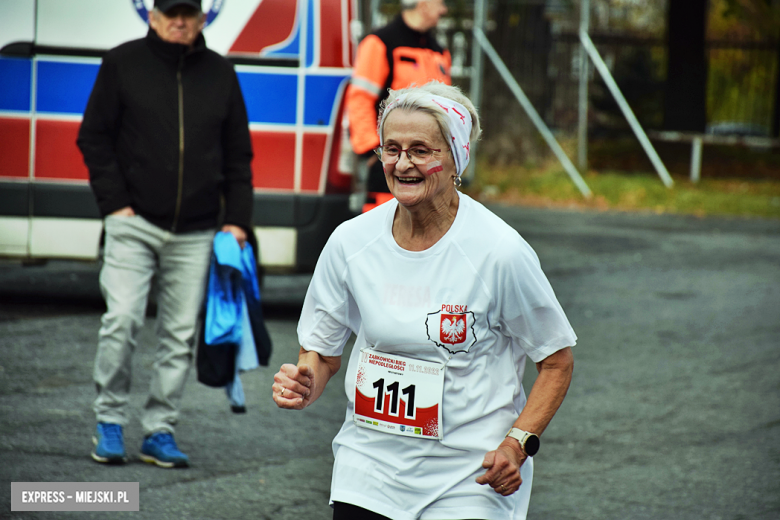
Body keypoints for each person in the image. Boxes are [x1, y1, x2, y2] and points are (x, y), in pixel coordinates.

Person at [273, 81, 576, 519]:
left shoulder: (499, 252)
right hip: (369, 469)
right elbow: (320, 353)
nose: (403, 164)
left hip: (468, 477)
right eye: (391, 149)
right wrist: (304, 380)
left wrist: (518, 442)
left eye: (421, 150)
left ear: (455, 159)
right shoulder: (351, 242)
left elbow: (556, 359)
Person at [77, 0, 253, 468]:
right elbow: (92, 136)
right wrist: (116, 206)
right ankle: (109, 422)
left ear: (202, 19)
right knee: (123, 320)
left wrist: (236, 220)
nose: (180, 21)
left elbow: (239, 155)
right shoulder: (122, 62)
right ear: (152, 17)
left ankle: (159, 429)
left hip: (197, 231)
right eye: (171, 13)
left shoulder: (221, 73)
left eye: (188, 14)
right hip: (134, 225)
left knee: (178, 337)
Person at [346, 0, 451, 208]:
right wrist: (373, 151)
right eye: (441, 3)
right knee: (383, 230)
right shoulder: (380, 42)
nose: (443, 10)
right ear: (424, 3)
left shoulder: (440, 51)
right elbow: (360, 99)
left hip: (431, 164)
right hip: (391, 164)